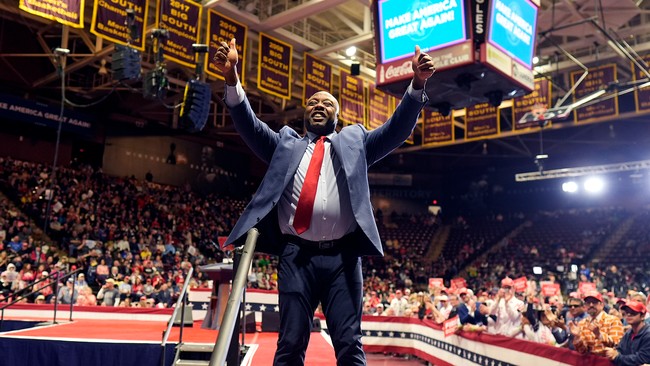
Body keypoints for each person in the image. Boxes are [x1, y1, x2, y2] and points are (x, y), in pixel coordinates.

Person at [214, 37, 434, 365]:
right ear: (305, 113)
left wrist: (416, 84)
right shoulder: (285, 144)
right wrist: (232, 77)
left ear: (337, 115)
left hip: (343, 258)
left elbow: (396, 131)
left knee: (348, 343)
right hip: (296, 256)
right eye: (313, 101)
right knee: (289, 343)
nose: (318, 105)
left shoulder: (356, 142)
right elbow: (249, 125)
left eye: (326, 103)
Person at [570, 290, 625, 356]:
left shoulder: (614, 321)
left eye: (594, 302)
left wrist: (599, 335)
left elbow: (617, 345)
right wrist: (577, 337)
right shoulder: (582, 323)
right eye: (588, 303)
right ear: (585, 306)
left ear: (602, 305)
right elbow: (582, 351)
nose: (591, 305)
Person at [605, 300, 650, 365]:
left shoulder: (648, 334)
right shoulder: (629, 333)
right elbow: (620, 350)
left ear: (642, 316)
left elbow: (642, 358)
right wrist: (613, 353)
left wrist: (617, 357)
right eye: (626, 312)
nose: (628, 314)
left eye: (633, 312)